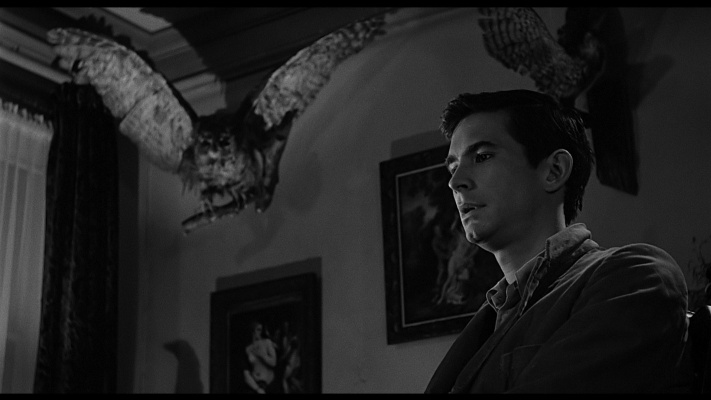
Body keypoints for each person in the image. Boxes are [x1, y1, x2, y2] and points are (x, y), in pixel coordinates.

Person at [425, 89, 691, 393]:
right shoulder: (490, 317)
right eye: (453, 167)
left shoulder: (635, 275)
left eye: (482, 156)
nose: (455, 182)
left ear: (554, 171)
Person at [243, 321, 278, 394]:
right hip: (255, 384)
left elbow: (274, 362)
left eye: (261, 330)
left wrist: (262, 355)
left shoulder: (267, 342)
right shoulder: (248, 349)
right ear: (252, 331)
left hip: (267, 383)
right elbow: (247, 371)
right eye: (258, 329)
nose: (260, 332)